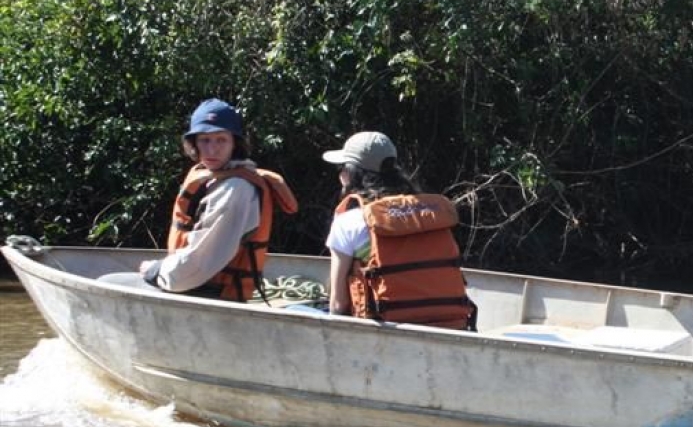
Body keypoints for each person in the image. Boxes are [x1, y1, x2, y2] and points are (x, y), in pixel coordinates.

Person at [99, 98, 296, 300]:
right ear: (194, 143)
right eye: (204, 140)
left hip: (210, 291)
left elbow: (201, 261)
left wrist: (158, 270)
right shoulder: (214, 177)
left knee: (107, 284)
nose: (212, 150)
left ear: (235, 143)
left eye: (221, 140)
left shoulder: (236, 189)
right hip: (194, 281)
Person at [321, 131, 475, 329]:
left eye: (343, 168)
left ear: (351, 174)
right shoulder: (430, 214)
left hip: (383, 330)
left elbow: (338, 304)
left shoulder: (349, 221)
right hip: (450, 324)